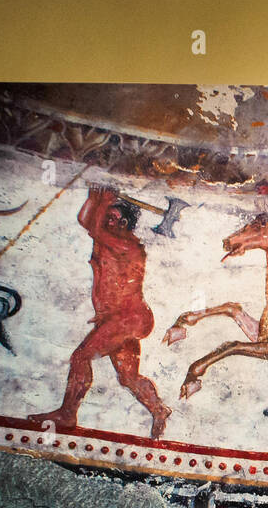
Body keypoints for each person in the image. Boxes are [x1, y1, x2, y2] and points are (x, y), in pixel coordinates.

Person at [29, 185, 171, 436]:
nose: (106, 220)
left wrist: (103, 200)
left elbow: (92, 226)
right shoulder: (103, 240)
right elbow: (86, 221)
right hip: (116, 319)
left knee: (80, 358)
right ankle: (159, 409)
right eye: (106, 216)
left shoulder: (128, 245)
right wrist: (93, 198)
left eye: (112, 217)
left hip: (129, 318)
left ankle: (67, 414)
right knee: (128, 376)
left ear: (125, 222)